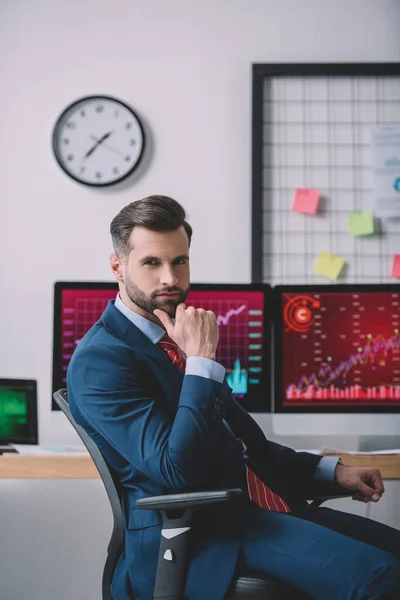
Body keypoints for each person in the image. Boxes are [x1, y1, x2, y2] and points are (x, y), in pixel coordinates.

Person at [67, 195, 400, 600]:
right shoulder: (101, 360)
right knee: (382, 581)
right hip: (207, 537)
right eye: (152, 263)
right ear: (118, 266)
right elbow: (177, 470)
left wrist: (331, 472)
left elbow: (247, 451)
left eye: (180, 261)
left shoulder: (173, 339)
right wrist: (202, 361)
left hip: (258, 513)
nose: (171, 278)